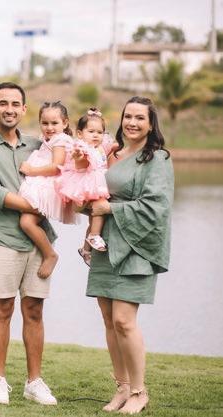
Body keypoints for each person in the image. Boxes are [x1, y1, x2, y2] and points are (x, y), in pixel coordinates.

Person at [0, 82, 58, 406]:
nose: (9, 109)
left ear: (24, 109)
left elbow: (64, 167)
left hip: (38, 240)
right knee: (2, 309)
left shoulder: (38, 145)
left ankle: (34, 382)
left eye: (15, 104)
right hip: (2, 239)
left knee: (34, 310)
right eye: (3, 103)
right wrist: (37, 206)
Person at [86, 96, 173, 414]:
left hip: (138, 245)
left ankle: (139, 391)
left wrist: (109, 209)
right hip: (106, 244)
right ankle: (122, 388)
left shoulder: (157, 159)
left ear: (151, 124)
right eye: (128, 116)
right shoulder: (111, 153)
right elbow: (95, 192)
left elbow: (157, 206)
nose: (132, 123)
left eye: (140, 118)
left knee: (124, 321)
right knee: (109, 320)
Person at [18, 101, 77, 279]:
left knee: (26, 223)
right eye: (45, 123)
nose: (49, 127)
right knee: (26, 221)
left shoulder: (60, 140)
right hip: (42, 183)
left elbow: (56, 167)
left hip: (48, 187)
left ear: (65, 123)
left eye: (54, 123)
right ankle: (47, 252)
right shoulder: (50, 139)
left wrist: (31, 171)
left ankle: (50, 254)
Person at [55, 108, 115, 265]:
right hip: (87, 185)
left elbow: (113, 147)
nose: (96, 135)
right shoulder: (82, 148)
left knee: (94, 219)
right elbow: (81, 160)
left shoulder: (101, 147)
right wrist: (79, 156)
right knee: (99, 209)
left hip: (97, 183)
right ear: (80, 134)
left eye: (100, 132)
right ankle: (94, 236)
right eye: (91, 131)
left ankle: (86, 249)